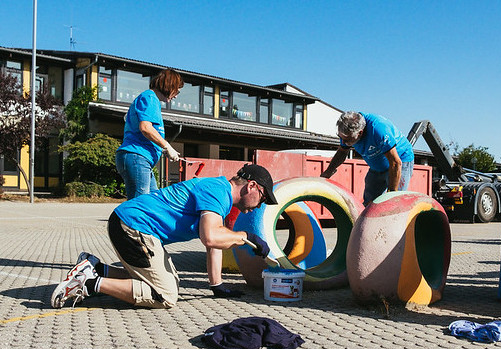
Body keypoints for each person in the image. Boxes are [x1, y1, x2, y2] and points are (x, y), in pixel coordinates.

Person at [51, 164, 277, 309]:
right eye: (263, 198)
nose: (260, 206)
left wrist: (216, 285)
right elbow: (209, 237)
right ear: (252, 186)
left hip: (129, 223)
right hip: (134, 227)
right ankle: (88, 283)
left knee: (170, 282)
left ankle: (98, 269)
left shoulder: (220, 194)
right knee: (165, 295)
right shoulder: (218, 191)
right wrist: (246, 237)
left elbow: (214, 244)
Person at [116, 68, 185, 200]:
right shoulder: (149, 98)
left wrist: (160, 147)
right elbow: (146, 128)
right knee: (141, 205)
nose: (176, 96)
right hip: (137, 156)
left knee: (153, 202)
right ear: (169, 85)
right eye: (177, 91)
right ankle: (124, 220)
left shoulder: (152, 100)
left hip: (141, 158)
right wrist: (167, 146)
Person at [321, 111, 414, 206]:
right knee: (369, 204)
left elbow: (395, 162)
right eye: (341, 138)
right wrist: (328, 172)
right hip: (377, 166)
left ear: (360, 133)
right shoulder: (347, 132)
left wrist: (391, 194)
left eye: (347, 140)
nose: (343, 142)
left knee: (393, 203)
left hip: (400, 161)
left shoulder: (378, 129)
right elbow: (342, 152)